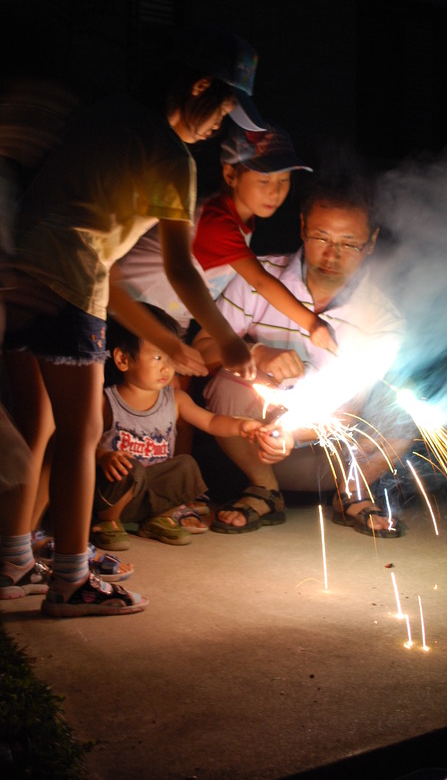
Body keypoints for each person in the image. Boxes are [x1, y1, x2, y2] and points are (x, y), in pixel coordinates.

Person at [0, 27, 265, 617]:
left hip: (19, 273)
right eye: (223, 107)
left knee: (37, 426)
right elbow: (180, 271)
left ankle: (13, 560)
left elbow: (106, 273)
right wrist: (224, 339)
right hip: (69, 286)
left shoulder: (108, 114)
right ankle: (71, 579)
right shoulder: (171, 158)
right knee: (83, 434)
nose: (222, 124)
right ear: (198, 87)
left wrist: (168, 341)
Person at [193, 171, 416, 537]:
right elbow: (200, 350)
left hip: (334, 460)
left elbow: (353, 402)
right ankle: (263, 491)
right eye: (321, 238)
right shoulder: (259, 277)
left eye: (349, 243)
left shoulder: (383, 318)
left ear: (371, 242)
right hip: (254, 446)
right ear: (302, 228)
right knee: (228, 379)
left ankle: (353, 494)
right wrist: (258, 353)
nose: (333, 255)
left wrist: (290, 433)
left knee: (400, 407)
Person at [114, 122, 337, 353]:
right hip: (123, 314)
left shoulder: (242, 225)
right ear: (230, 174)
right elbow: (260, 282)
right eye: (264, 180)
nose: (275, 191)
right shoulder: (215, 222)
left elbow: (188, 300)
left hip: (154, 322)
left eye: (284, 180)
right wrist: (313, 324)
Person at [93, 305, 269, 548]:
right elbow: (81, 444)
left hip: (151, 494)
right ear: (123, 359)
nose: (167, 367)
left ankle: (159, 518)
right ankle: (108, 522)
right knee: (129, 469)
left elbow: (211, 421)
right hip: (114, 495)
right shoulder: (106, 402)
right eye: (157, 357)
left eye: (170, 357)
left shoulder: (175, 399)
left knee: (185, 465)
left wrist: (241, 425)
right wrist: (104, 457)